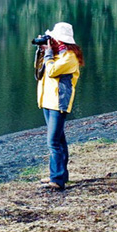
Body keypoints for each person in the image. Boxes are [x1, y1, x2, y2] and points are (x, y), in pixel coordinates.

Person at [36, 22, 84, 190]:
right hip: (48, 101)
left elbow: (51, 71)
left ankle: (57, 179)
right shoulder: (56, 55)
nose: (51, 42)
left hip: (58, 103)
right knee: (59, 140)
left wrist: (48, 54)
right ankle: (58, 174)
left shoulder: (70, 57)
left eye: (53, 39)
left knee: (53, 142)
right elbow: (41, 72)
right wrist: (43, 53)